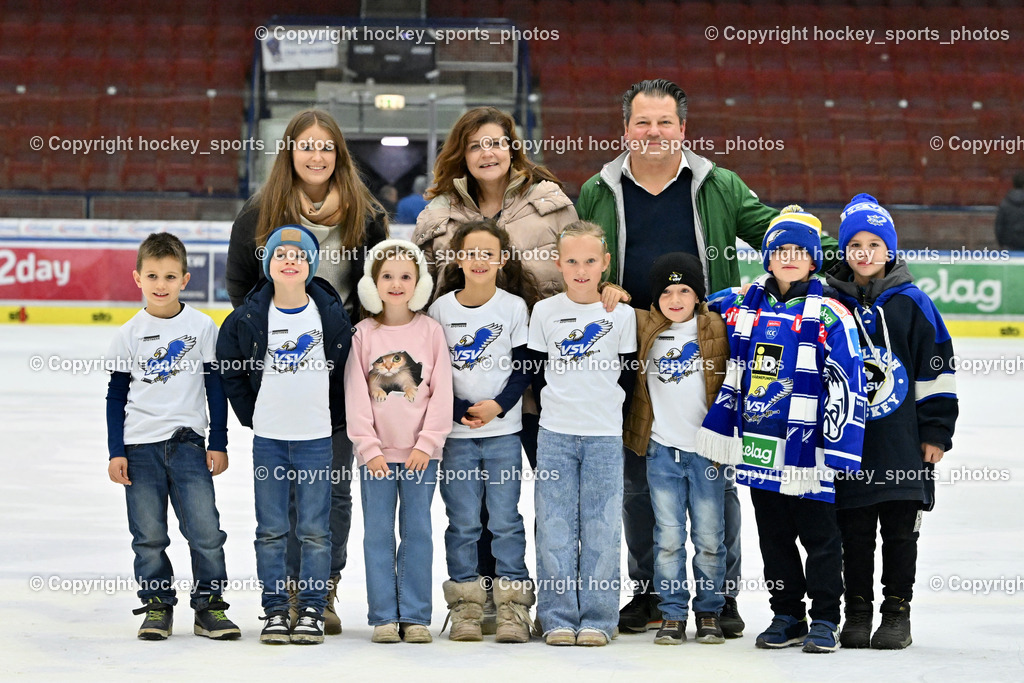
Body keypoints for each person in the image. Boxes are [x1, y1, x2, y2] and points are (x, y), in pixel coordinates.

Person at [576, 79, 832, 634]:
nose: (654, 132)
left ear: (683, 130)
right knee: (641, 478)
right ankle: (649, 594)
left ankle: (721, 599)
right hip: (633, 352)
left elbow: (779, 232)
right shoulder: (599, 189)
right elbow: (584, 255)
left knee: (718, 476)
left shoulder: (718, 185)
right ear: (625, 131)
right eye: (642, 122)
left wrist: (842, 260)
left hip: (714, 352)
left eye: (665, 122)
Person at [225, 108, 387, 635]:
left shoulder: (367, 213)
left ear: (338, 154)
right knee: (286, 490)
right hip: (283, 364)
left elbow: (379, 286)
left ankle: (322, 587)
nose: (316, 156)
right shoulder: (259, 213)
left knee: (333, 486)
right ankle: (286, 590)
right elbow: (240, 289)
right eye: (306, 146)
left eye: (326, 147)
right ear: (290, 152)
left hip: (341, 363)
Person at [697, 206, 867, 654]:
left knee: (820, 537)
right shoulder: (741, 303)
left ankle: (827, 617)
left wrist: (842, 444)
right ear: (767, 258)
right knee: (773, 535)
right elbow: (686, 302)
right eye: (779, 250)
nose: (789, 257)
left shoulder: (832, 313)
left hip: (809, 447)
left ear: (814, 261)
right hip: (759, 443)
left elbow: (849, 379)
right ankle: (786, 613)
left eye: (799, 251)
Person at [826, 194, 959, 649]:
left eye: (874, 243)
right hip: (849, 445)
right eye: (855, 244)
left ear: (890, 250)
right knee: (855, 533)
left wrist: (936, 432)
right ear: (844, 250)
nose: (865, 252)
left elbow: (936, 370)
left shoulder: (914, 303)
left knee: (901, 533)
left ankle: (896, 612)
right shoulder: (828, 303)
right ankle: (858, 612)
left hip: (903, 444)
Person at [217, 225, 353, 645]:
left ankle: (311, 608)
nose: (289, 260)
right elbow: (231, 370)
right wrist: (253, 416)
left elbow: (345, 368)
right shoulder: (248, 317)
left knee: (315, 529)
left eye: (298, 255)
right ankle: (276, 609)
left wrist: (332, 417)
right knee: (271, 529)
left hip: (317, 440)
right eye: (281, 254)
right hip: (270, 440)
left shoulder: (328, 313)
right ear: (268, 264)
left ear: (310, 264)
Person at [106, 232, 239, 642]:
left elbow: (215, 388)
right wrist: (116, 451)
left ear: (185, 278)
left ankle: (210, 607)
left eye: (169, 275)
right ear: (137, 279)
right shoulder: (129, 333)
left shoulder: (201, 327)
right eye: (152, 275)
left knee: (205, 532)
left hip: (188, 446)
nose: (160, 284)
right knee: (148, 535)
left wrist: (219, 441)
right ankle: (157, 605)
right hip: (139, 447)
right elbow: (116, 395)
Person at [428, 219, 540, 643]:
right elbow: (433, 374)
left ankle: (512, 607)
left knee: (506, 521)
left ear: (501, 259)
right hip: (455, 437)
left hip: (503, 433)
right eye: (470, 252)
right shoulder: (440, 310)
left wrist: (498, 405)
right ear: (458, 258)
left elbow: (524, 366)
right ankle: (467, 606)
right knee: (463, 524)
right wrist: (458, 411)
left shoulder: (512, 307)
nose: (478, 261)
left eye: (487, 253)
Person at [528, 221, 638, 647]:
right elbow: (536, 373)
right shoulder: (545, 312)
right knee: (554, 526)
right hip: (555, 435)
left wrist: (604, 410)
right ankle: (556, 616)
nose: (580, 269)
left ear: (605, 263)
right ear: (558, 263)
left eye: (590, 260)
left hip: (604, 436)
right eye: (571, 260)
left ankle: (597, 617)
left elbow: (627, 376)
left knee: (602, 526)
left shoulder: (620, 314)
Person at [344, 239, 453, 644]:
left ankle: (416, 615)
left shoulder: (430, 331)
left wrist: (427, 443)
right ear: (373, 282)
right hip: (375, 458)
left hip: (421, 457)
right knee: (377, 534)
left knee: (418, 531)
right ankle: (385, 617)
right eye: (387, 276)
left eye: (405, 276)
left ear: (419, 282)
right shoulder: (362, 334)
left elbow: (441, 393)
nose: (396, 283)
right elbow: (356, 395)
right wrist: (368, 449)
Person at [622, 252, 730, 646]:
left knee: (708, 538)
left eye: (685, 289)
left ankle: (709, 611)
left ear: (698, 294)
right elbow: (611, 305)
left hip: (707, 452)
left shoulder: (716, 326)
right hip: (661, 450)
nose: (676, 298)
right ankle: (672, 613)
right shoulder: (645, 325)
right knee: (667, 537)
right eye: (666, 291)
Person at [995, 172, 1024, 250]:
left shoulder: (1005, 203)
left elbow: (999, 226)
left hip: (1009, 245)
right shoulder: (1005, 203)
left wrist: (1002, 244)